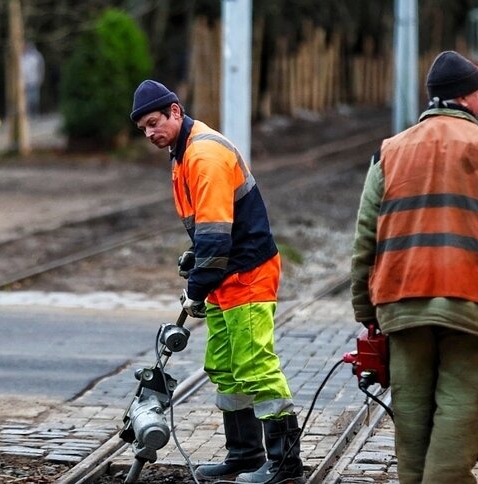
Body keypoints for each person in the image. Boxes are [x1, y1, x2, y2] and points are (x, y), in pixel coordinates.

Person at [349, 51, 478, 484]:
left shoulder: (388, 153)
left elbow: (365, 238)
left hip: (402, 305)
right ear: (469, 98)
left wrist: (366, 309)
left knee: (412, 419)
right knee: (459, 411)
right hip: (474, 306)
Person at [130, 79, 304, 484]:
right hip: (227, 272)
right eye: (143, 129)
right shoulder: (183, 151)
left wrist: (195, 289)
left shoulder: (203, 154)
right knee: (224, 367)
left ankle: (285, 465)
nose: (150, 133)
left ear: (175, 111)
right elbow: (212, 228)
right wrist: (199, 264)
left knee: (256, 366)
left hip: (246, 273)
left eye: (154, 122)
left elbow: (214, 234)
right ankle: (243, 455)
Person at [21, 42, 44, 115]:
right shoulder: (22, 57)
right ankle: (29, 114)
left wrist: (40, 78)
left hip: (34, 80)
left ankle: (35, 113)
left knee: (34, 99)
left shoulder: (36, 56)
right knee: (27, 99)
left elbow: (41, 68)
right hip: (25, 81)